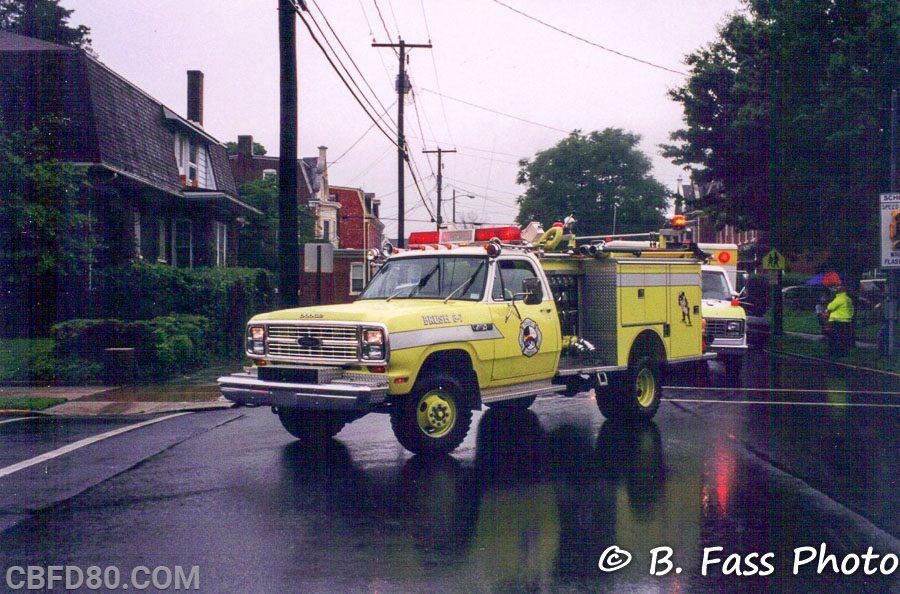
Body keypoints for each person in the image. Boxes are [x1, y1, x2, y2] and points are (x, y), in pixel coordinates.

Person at [823, 283, 854, 356]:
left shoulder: (840, 298)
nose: (836, 289)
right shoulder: (848, 299)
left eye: (837, 288)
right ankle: (843, 353)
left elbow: (830, 307)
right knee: (842, 338)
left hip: (837, 321)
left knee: (834, 338)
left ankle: (833, 353)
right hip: (845, 321)